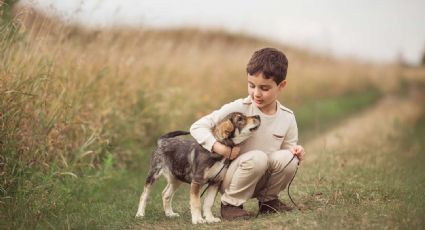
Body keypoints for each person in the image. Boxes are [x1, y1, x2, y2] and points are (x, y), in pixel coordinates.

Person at [190, 47, 305, 220]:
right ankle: (231, 204)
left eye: (264, 88)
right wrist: (220, 149)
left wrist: (296, 151)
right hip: (233, 177)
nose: (256, 93)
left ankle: (268, 201)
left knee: (290, 158)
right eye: (251, 86)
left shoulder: (287, 117)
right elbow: (197, 127)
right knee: (258, 157)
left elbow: (287, 150)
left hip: (263, 177)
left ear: (281, 86)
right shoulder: (239, 108)